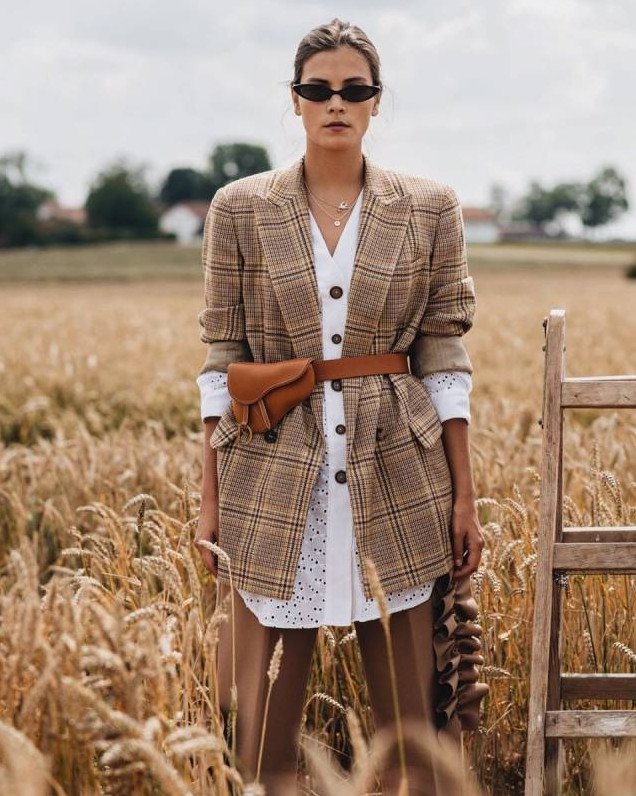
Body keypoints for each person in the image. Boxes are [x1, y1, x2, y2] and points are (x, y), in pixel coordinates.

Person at [194, 17, 489, 795]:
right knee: (261, 733)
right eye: (318, 89)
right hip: (269, 475)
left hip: (400, 474)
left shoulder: (430, 207)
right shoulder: (238, 209)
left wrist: (465, 494)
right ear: (294, 99)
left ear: (376, 101)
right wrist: (209, 498)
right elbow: (222, 358)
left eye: (354, 89)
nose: (336, 102)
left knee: (415, 729)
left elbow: (443, 356)